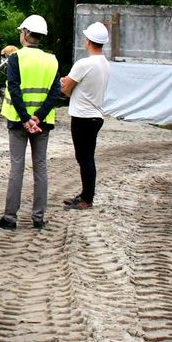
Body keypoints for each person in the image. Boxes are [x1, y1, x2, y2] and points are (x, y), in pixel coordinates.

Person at [0, 15, 63, 231]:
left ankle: (10, 218)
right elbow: (55, 92)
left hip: (18, 122)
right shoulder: (52, 60)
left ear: (25, 34)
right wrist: (38, 117)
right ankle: (38, 218)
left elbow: (13, 89)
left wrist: (25, 119)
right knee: (40, 168)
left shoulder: (16, 58)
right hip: (42, 123)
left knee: (17, 167)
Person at [61, 21, 112, 210]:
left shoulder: (83, 64)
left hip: (82, 116)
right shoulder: (104, 64)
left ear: (89, 41)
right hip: (96, 115)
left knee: (84, 159)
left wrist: (63, 83)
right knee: (87, 157)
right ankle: (85, 194)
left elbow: (66, 90)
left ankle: (87, 199)